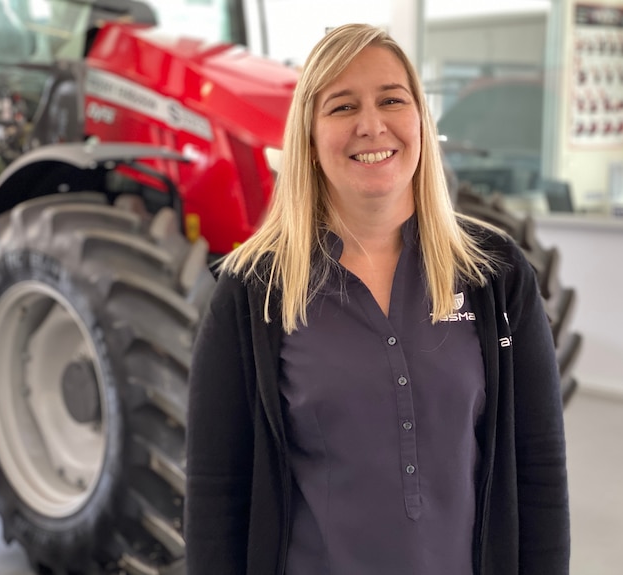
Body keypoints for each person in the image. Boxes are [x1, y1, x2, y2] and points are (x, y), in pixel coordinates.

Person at [185, 23, 569, 575]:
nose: (372, 125)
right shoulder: (252, 291)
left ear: (419, 120)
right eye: (342, 107)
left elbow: (539, 473)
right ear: (311, 140)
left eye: (392, 99)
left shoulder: (496, 275)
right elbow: (216, 496)